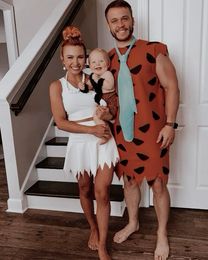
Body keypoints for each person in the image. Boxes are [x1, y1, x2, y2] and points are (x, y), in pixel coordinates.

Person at [103, 1, 180, 259]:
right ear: (109, 25)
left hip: (153, 131)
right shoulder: (107, 60)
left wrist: (170, 124)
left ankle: (161, 234)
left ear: (132, 20)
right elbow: (108, 98)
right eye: (115, 20)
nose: (120, 24)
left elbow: (172, 87)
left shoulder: (153, 50)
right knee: (129, 180)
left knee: (158, 184)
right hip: (123, 132)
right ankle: (133, 222)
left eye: (124, 18)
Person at [49, 25, 119, 260]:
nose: (76, 62)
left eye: (80, 57)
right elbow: (60, 122)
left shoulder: (95, 79)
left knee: (102, 191)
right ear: (62, 59)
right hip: (81, 140)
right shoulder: (57, 86)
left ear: (86, 57)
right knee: (85, 188)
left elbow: (111, 113)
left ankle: (102, 245)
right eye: (70, 57)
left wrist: (106, 116)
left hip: (103, 139)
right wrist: (91, 129)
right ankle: (93, 227)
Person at [87, 48, 118, 144]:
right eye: (94, 62)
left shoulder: (107, 74)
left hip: (110, 101)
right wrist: (84, 86)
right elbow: (90, 86)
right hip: (101, 101)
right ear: (90, 66)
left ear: (108, 64)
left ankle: (106, 134)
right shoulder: (93, 75)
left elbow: (109, 86)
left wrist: (98, 80)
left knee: (97, 116)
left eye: (101, 61)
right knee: (96, 116)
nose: (97, 64)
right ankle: (106, 132)